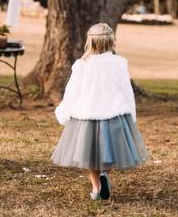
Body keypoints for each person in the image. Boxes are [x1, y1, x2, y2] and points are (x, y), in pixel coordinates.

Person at [51, 23, 149, 201]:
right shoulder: (119, 63)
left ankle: (96, 189)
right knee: (110, 150)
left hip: (87, 115)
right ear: (111, 41)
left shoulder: (82, 65)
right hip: (114, 114)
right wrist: (131, 113)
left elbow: (72, 91)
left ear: (90, 42)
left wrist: (64, 111)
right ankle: (105, 172)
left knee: (89, 154)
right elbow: (126, 90)